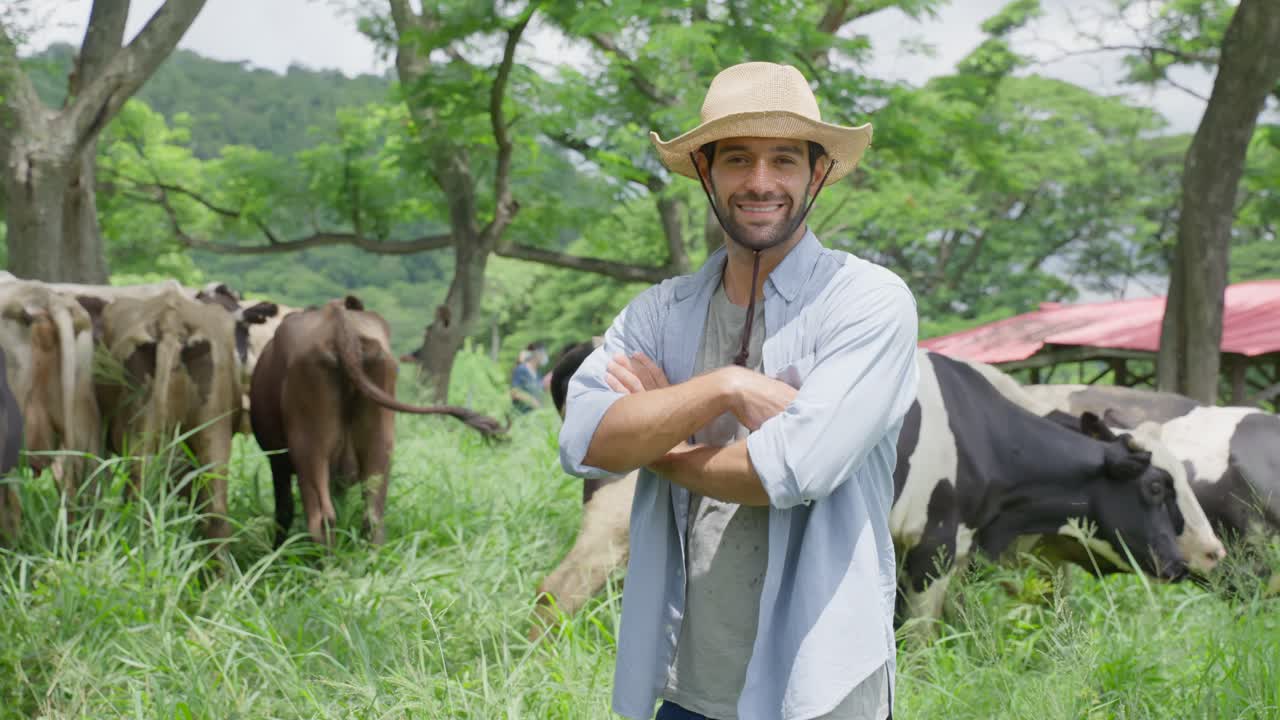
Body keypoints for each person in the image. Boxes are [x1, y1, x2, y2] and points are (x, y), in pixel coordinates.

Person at [557, 62, 919, 720]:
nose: (760, 182)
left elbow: (787, 471)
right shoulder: (658, 313)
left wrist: (658, 440)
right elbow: (586, 440)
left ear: (817, 174)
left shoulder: (867, 302)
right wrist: (723, 388)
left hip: (820, 689)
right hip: (688, 686)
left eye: (783, 159)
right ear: (705, 170)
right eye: (737, 158)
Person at [510, 342, 548, 413]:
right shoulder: (521, 369)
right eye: (543, 353)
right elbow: (514, 393)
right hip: (521, 415)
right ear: (536, 354)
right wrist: (532, 401)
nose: (545, 356)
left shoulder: (538, 374)